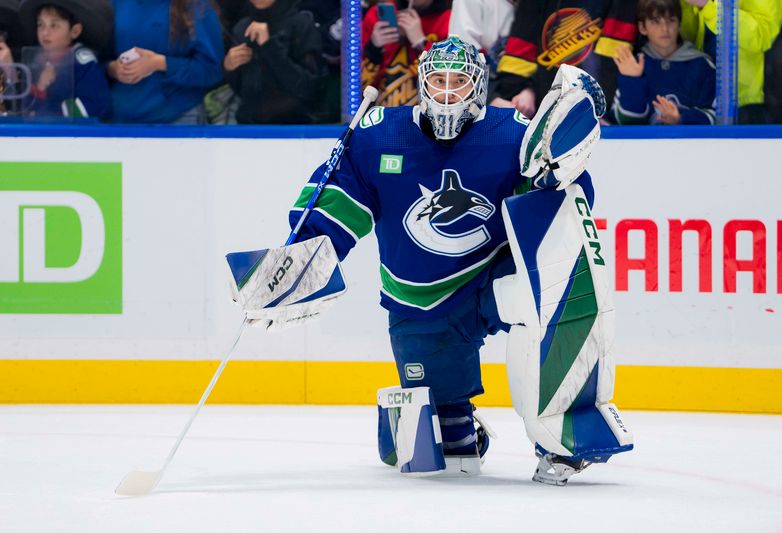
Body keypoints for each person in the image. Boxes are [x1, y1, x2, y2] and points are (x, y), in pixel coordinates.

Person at [231, 37, 633, 484]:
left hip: (494, 278)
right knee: (444, 449)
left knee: (560, 281)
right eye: (438, 80)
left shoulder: (514, 133)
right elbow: (332, 208)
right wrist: (293, 268)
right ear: (422, 83)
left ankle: (568, 429)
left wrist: (556, 172)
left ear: (477, 86)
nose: (446, 92)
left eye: (458, 81)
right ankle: (455, 420)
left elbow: (569, 212)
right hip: (420, 299)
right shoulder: (378, 134)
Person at [492, 0, 638, 119]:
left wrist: (596, 111)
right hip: (543, 115)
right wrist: (523, 90)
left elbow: (612, 59)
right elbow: (518, 58)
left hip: (598, 116)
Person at [107, 0, 224, 124]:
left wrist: (160, 63)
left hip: (178, 118)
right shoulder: (116, 4)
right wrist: (112, 69)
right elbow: (97, 59)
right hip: (120, 119)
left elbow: (212, 70)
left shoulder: (198, 7)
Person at [613, 0, 715, 125]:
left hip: (691, 144)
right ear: (642, 27)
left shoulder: (702, 64)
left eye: (671, 20)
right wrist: (632, 79)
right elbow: (626, 121)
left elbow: (716, 117)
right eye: (656, 21)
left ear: (679, 25)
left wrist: (681, 118)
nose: (664, 29)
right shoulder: (632, 64)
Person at [223, 0, 326, 124]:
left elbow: (310, 88)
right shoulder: (242, 28)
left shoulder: (301, 24)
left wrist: (270, 47)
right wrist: (229, 68)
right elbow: (242, 88)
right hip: (250, 128)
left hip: (296, 129)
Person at [680, 0, 782, 123]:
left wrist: (708, 6)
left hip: (747, 101)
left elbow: (761, 34)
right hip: (703, 98)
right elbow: (690, 35)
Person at [9, 0, 110, 119]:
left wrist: (47, 113)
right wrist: (40, 87)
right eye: (40, 24)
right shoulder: (35, 61)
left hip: (76, 135)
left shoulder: (83, 62)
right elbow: (25, 108)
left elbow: (93, 105)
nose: (45, 33)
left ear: (75, 31)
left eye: (54, 25)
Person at [361, 0, 451, 107]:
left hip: (430, 114)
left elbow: (452, 84)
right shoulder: (378, 15)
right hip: (379, 111)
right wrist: (373, 48)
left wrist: (421, 43)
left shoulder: (451, 19)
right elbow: (357, 86)